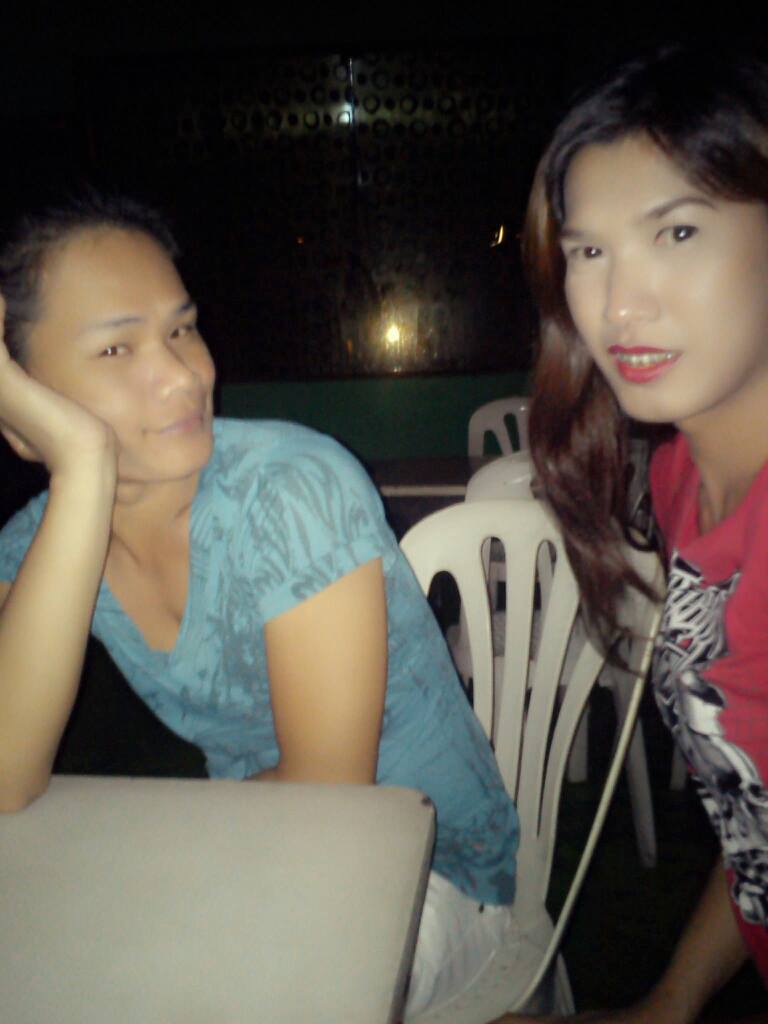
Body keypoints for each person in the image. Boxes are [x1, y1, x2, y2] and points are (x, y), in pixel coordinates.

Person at [0, 193, 519, 1018]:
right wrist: (84, 469)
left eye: (182, 329)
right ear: (22, 406)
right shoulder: (43, 543)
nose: (185, 374)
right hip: (255, 838)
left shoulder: (290, 489)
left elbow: (327, 794)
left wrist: (166, 860)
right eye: (116, 347)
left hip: (430, 864)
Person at [507, 42, 768, 1024]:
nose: (620, 305)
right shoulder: (676, 472)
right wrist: (673, 1000)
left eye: (679, 232)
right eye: (588, 252)